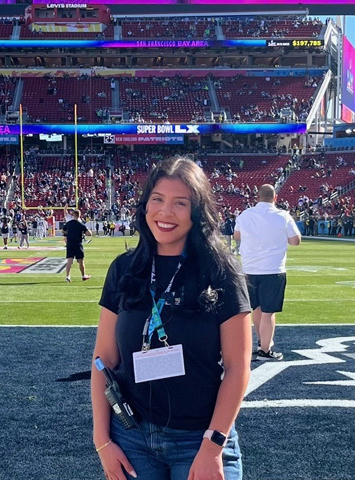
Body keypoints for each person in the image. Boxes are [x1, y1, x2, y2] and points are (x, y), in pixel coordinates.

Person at [91, 156, 250, 480]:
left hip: (200, 437)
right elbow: (102, 359)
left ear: (197, 212)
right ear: (145, 205)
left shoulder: (221, 272)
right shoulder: (124, 269)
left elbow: (238, 367)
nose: (166, 212)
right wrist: (102, 441)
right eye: (158, 200)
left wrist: (213, 445)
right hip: (133, 435)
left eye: (181, 203)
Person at [233, 184, 301, 361]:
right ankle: (265, 349)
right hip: (272, 269)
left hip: (249, 269)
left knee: (257, 308)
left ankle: (262, 343)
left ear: (257, 197)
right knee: (269, 312)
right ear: (275, 198)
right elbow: (295, 241)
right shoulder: (282, 215)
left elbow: (237, 235)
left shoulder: (245, 214)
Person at [63, 209, 91, 282]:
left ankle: (68, 277)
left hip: (70, 244)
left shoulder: (69, 223)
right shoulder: (80, 224)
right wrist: (83, 233)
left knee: (69, 261)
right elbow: (89, 233)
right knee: (81, 261)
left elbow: (63, 231)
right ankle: (83, 275)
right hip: (78, 244)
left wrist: (68, 234)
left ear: (73, 215)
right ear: (79, 215)